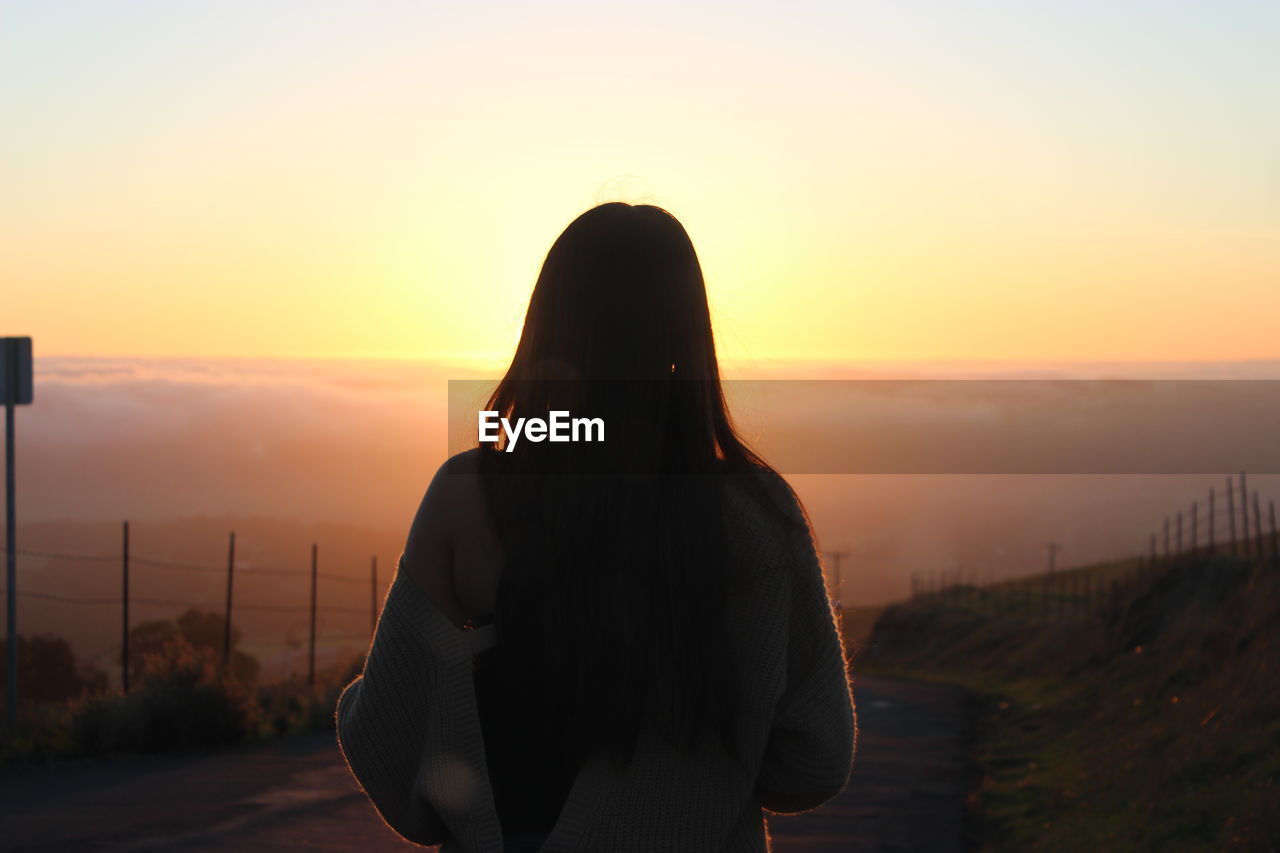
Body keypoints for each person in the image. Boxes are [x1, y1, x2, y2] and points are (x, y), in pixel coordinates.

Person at [337, 202, 856, 852]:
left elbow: (395, 756)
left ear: (545, 328)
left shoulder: (464, 497)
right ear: (685, 335)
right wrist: (702, 771)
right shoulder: (757, 513)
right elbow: (814, 763)